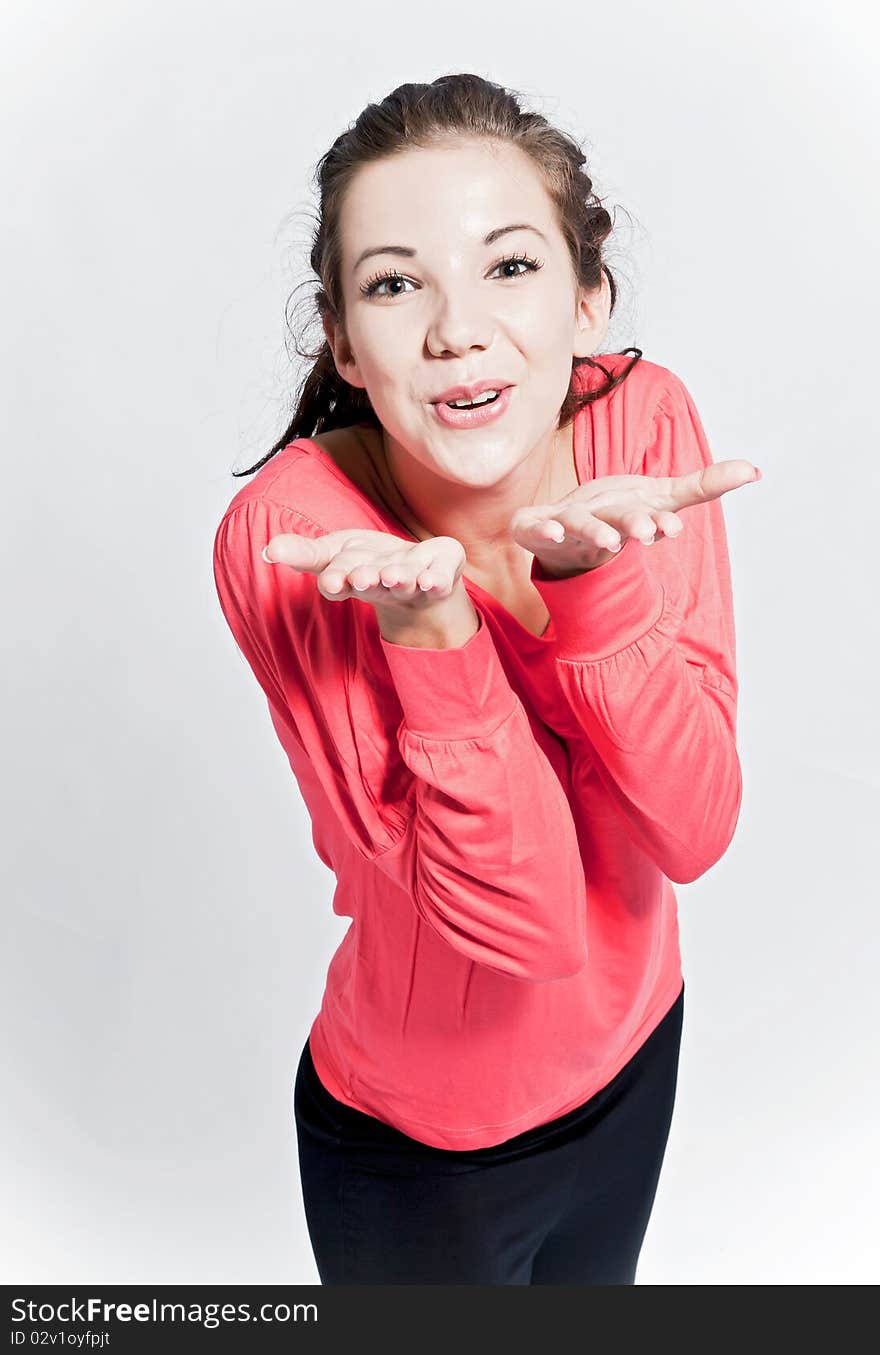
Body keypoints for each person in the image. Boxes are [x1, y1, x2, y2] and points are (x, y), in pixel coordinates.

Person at [212, 73, 760, 1285]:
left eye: (508, 266)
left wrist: (594, 591)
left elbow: (695, 826)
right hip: (426, 1153)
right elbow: (525, 927)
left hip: (637, 1055)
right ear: (345, 342)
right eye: (396, 282)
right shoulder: (299, 543)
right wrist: (435, 630)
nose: (456, 327)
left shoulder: (641, 425)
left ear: (587, 296)